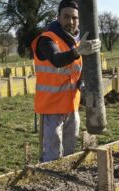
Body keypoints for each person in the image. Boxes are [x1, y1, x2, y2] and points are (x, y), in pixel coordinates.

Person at [31, 0, 101, 162]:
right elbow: (56, 59)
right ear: (58, 17)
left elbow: (78, 70)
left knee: (70, 151)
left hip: (72, 107)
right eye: (66, 17)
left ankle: (65, 183)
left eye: (74, 18)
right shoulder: (47, 39)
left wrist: (81, 84)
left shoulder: (79, 41)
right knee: (52, 154)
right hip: (51, 109)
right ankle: (47, 183)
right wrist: (77, 51)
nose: (70, 21)